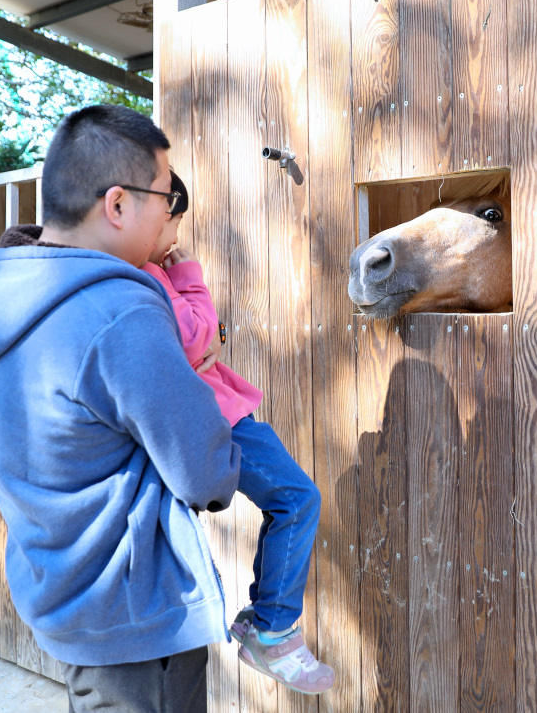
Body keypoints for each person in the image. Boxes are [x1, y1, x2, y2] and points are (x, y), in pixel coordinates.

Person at [0, 105, 240, 713]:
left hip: (62, 589)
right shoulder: (120, 311)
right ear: (116, 205)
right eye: (167, 194)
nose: (170, 212)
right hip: (134, 612)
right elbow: (203, 472)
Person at [139, 170, 335, 695]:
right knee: (297, 498)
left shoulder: (143, 273)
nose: (177, 238)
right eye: (174, 223)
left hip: (218, 410)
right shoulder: (151, 274)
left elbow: (206, 340)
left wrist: (208, 334)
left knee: (292, 500)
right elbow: (196, 338)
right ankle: (272, 629)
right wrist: (194, 282)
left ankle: (265, 622)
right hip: (220, 416)